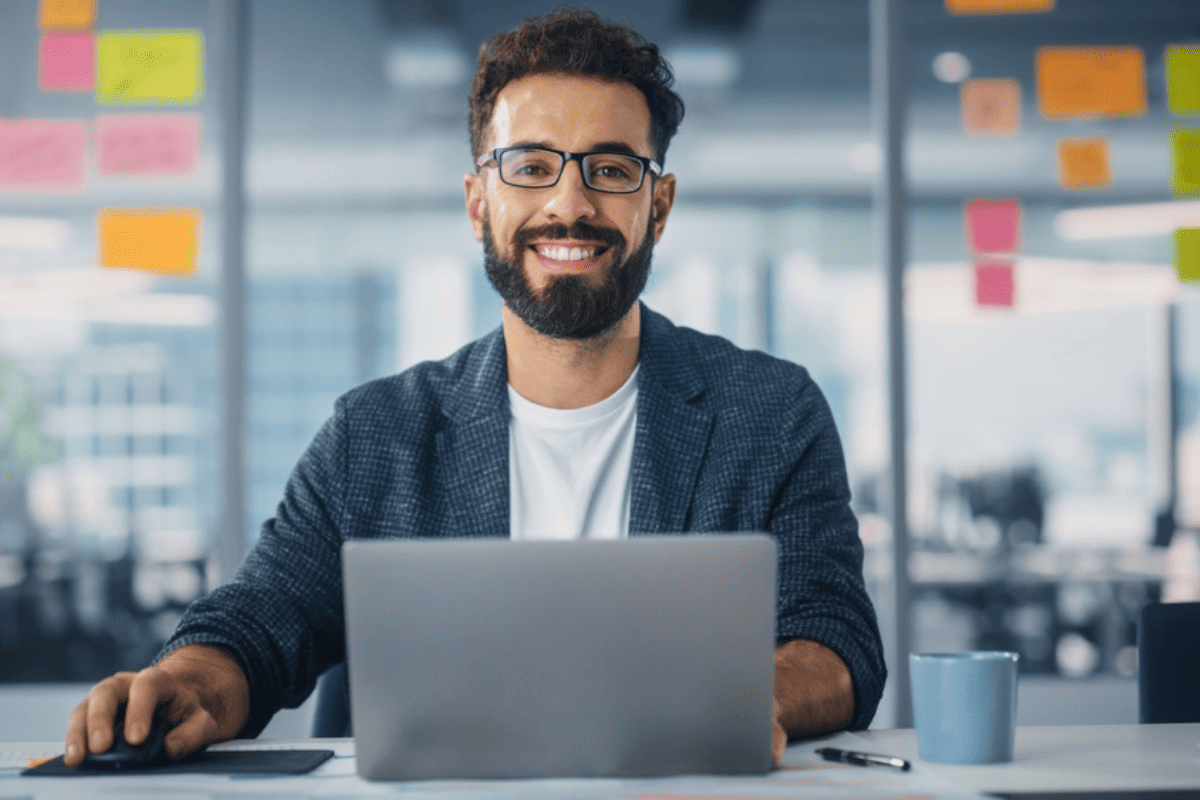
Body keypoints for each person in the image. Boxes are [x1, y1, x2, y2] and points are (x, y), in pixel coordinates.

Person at [64, 7, 885, 769]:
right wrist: (194, 682)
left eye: (610, 168)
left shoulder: (770, 413)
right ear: (478, 200)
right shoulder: (375, 434)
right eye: (530, 167)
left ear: (658, 207)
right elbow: (264, 616)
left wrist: (747, 700)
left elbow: (836, 637)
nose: (570, 204)